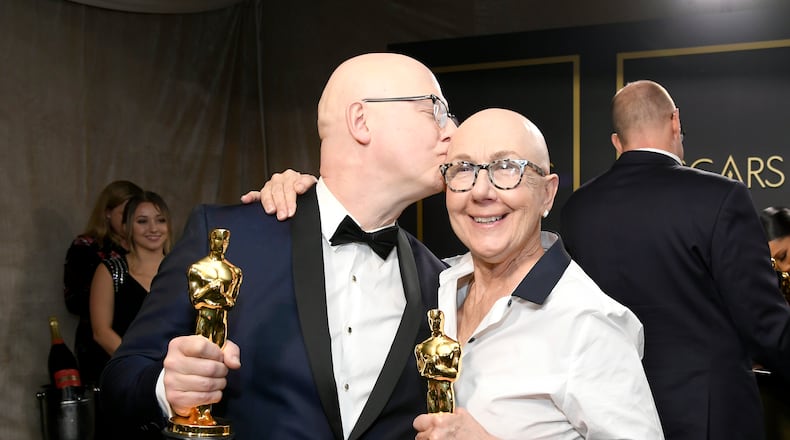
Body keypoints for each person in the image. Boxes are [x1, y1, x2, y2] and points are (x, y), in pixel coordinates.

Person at [100, 52, 453, 439]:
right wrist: (165, 388)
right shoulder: (228, 238)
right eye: (435, 110)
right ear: (361, 120)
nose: (452, 130)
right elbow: (121, 379)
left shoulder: (441, 281)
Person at [257, 108, 664, 439]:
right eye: (464, 169)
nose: (482, 191)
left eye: (508, 168)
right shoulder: (433, 282)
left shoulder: (588, 322)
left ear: (548, 192)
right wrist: (306, 198)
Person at [560, 80, 790, 440]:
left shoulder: (578, 210)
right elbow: (764, 324)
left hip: (609, 417)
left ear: (617, 142)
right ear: (676, 122)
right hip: (711, 419)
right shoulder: (722, 197)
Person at [63, 179, 144, 385]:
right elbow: (74, 300)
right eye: (124, 213)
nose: (129, 220)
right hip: (101, 347)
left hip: (142, 343)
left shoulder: (147, 247)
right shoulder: (87, 247)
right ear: (107, 213)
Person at [89, 191, 172, 369]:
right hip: (129, 373)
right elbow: (101, 332)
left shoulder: (183, 270)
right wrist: (141, 367)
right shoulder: (110, 270)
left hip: (177, 374)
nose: (153, 228)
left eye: (160, 220)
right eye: (142, 221)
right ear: (126, 227)